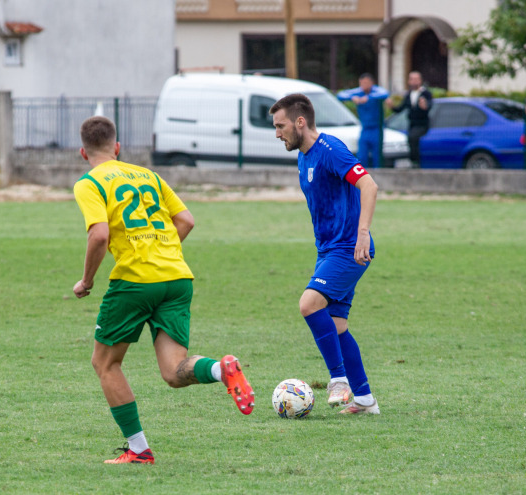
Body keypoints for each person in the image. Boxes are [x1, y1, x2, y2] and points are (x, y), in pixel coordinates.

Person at [72, 116, 254, 465]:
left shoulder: (89, 183)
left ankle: (139, 450)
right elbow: (186, 220)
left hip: (135, 282)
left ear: (83, 152)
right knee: (174, 371)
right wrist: (163, 252)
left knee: (105, 363)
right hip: (177, 278)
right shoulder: (149, 175)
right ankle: (221, 369)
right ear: (118, 147)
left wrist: (87, 281)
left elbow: (98, 234)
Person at [269, 94, 380, 415]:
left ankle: (339, 381)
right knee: (337, 324)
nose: (277, 134)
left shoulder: (330, 150)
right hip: (329, 250)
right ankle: (365, 400)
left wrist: (362, 233)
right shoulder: (303, 156)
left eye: (281, 126)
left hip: (350, 248)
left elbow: (369, 185)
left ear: (300, 122)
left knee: (309, 303)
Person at [337, 73, 389, 169]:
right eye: (362, 83)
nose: (364, 85)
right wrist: (352, 98)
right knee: (362, 155)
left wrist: (368, 98)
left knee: (377, 156)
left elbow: (384, 93)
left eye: (366, 83)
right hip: (365, 128)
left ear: (371, 83)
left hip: (376, 129)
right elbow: (341, 95)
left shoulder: (376, 91)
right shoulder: (358, 92)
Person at [386, 71, 432, 168]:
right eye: (412, 79)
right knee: (410, 138)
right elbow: (400, 109)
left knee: (413, 137)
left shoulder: (426, 93)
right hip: (412, 124)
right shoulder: (408, 95)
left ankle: (415, 162)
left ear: (420, 81)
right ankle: (412, 162)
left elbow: (429, 105)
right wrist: (391, 106)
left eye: (416, 79)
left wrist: (425, 106)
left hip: (422, 124)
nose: (414, 82)